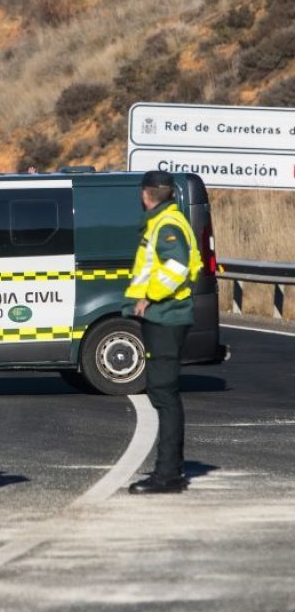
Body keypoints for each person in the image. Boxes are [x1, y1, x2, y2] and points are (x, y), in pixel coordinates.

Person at [125, 170, 202, 494]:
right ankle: (171, 468)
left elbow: (177, 268)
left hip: (166, 316)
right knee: (162, 391)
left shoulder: (167, 225)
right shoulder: (166, 220)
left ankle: (168, 474)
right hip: (165, 316)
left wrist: (149, 296)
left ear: (145, 195)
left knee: (163, 391)